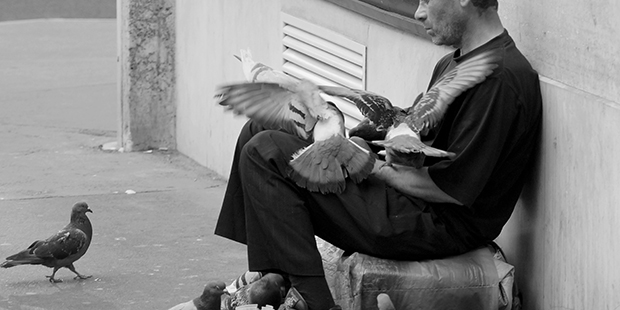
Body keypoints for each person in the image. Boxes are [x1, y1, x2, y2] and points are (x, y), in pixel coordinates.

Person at [214, 0, 543, 309]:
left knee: (265, 151)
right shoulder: (458, 61)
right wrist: (363, 134)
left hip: (438, 223)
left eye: (427, 0)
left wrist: (365, 162)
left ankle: (313, 301)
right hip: (410, 199)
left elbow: (451, 190)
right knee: (257, 131)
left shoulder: (499, 80)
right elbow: (416, 133)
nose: (418, 12)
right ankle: (269, 278)